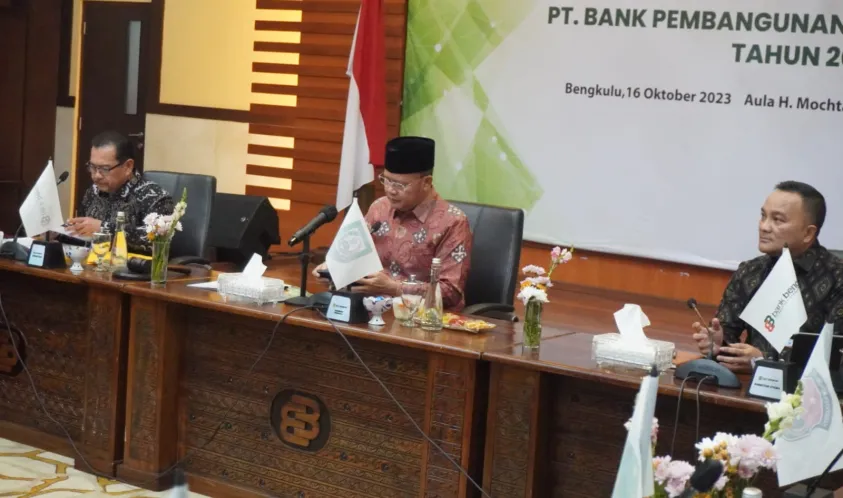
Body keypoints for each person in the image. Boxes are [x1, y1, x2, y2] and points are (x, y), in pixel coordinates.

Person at [692, 181, 843, 372]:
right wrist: (718, 343)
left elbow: (834, 355)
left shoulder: (837, 278)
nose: (764, 226)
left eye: (777, 220)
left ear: (808, 233)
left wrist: (764, 360)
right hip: (749, 384)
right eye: (763, 216)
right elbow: (727, 333)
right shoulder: (750, 271)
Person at [314, 136, 473, 310]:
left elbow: (450, 292)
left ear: (426, 183)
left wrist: (394, 288)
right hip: (370, 310)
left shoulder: (453, 222)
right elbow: (352, 256)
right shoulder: (379, 208)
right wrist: (334, 269)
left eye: (400, 185)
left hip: (422, 317)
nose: (390, 190)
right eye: (387, 180)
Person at [65, 130, 174, 255]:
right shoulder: (93, 191)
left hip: (133, 265)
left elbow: (158, 241)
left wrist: (104, 229)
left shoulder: (154, 197)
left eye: (105, 169)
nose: (96, 176)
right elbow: (84, 237)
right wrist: (59, 235)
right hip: (94, 262)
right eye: (93, 167)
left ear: (128, 166)